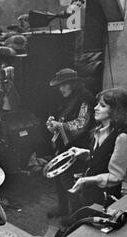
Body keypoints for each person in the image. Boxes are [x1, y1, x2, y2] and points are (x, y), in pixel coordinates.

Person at [69, 88, 127, 208]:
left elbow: (116, 177)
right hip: (90, 194)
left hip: (104, 198)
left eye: (102, 105)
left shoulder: (122, 138)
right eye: (97, 104)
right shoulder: (98, 131)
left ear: (116, 111)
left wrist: (88, 180)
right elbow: (102, 158)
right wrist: (84, 152)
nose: (95, 108)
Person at [46, 68, 95, 219]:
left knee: (71, 181)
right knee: (60, 178)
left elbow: (81, 123)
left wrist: (59, 126)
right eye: (59, 86)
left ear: (73, 84)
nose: (61, 89)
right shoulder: (70, 98)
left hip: (78, 147)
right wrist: (53, 124)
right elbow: (65, 120)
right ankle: (63, 209)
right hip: (65, 146)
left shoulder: (85, 98)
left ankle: (75, 215)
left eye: (64, 85)